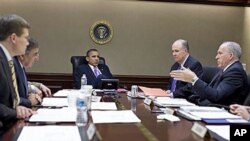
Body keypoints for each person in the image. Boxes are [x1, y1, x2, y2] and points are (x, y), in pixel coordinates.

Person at [170, 41, 248, 106]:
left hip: (222, 112)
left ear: (230, 56)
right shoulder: (226, 70)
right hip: (209, 106)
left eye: (220, 53)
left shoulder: (235, 72)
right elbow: (210, 91)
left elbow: (216, 96)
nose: (216, 57)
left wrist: (194, 79)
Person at [0, 14, 34, 135]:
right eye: (26, 38)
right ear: (13, 38)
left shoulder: (8, 59)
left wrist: (16, 108)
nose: (27, 43)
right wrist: (16, 112)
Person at [14, 37, 51, 108]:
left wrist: (35, 89)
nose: (37, 58)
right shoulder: (14, 67)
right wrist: (30, 101)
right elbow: (11, 98)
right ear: (22, 55)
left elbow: (22, 85)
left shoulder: (20, 67)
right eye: (35, 54)